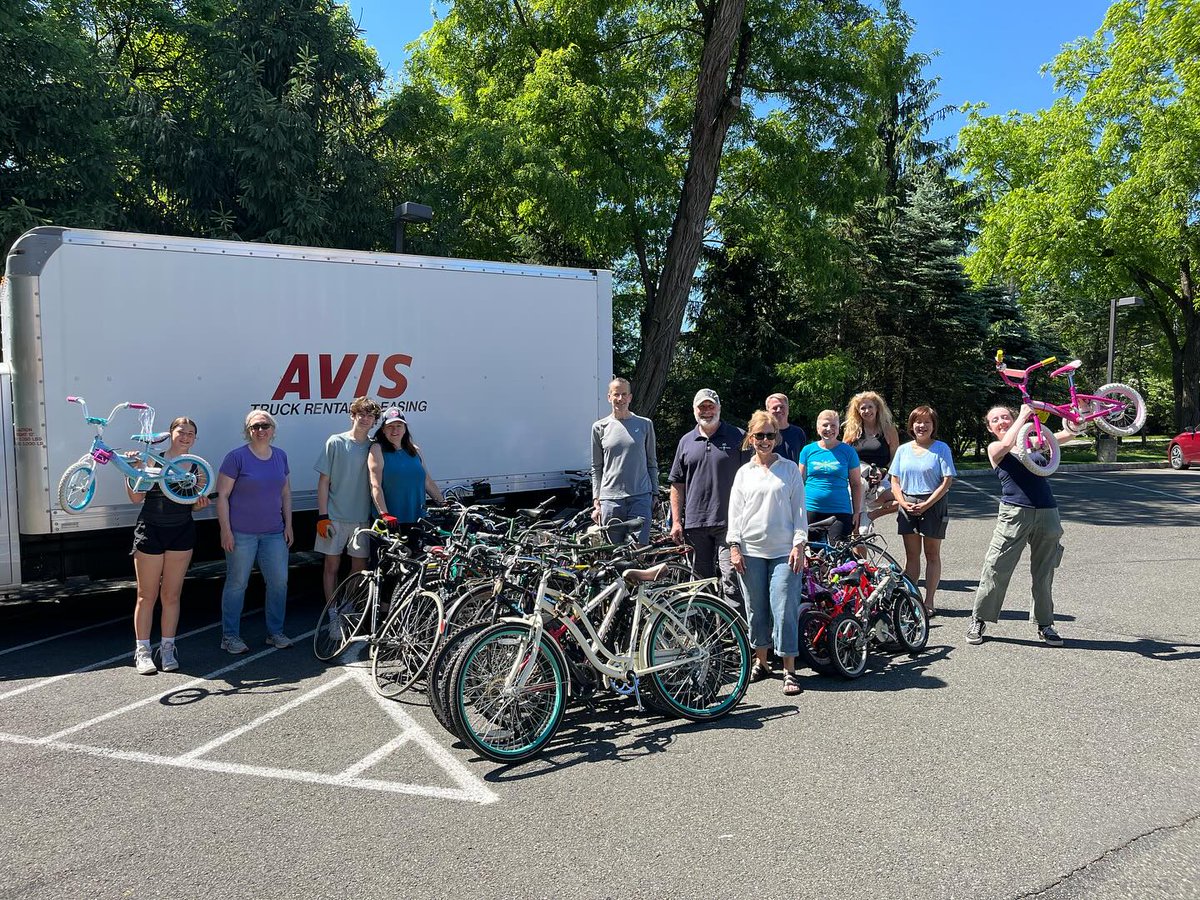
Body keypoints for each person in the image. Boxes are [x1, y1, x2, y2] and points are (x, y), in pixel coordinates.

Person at [967, 404, 1070, 646]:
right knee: (996, 566)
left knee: (1044, 572)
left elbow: (1061, 438)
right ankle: (979, 618)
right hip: (1014, 513)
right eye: (995, 420)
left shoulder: (1030, 443)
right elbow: (1004, 445)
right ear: (990, 428)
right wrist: (1022, 417)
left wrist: (1077, 422)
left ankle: (1045, 625)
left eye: (1005, 417)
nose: (1001, 421)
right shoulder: (995, 448)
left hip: (1047, 512)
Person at [726, 410, 808, 697]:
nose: (764, 441)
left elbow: (800, 511)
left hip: (784, 551)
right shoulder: (743, 473)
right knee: (755, 608)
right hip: (750, 551)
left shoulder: (788, 469)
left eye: (769, 436)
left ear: (777, 437)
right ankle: (762, 662)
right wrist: (734, 547)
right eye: (759, 435)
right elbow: (734, 514)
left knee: (784, 606)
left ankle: (789, 667)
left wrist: (800, 544)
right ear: (751, 438)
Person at [126, 417, 211, 675]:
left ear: (195, 438)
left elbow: (194, 504)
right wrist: (134, 469)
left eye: (190, 433)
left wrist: (200, 503)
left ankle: (167, 648)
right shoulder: (153, 459)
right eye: (180, 431)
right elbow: (135, 498)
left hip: (181, 532)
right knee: (146, 595)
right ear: (170, 433)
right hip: (151, 530)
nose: (185, 436)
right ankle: (142, 652)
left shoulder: (197, 467)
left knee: (172, 595)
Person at [216, 410, 294, 653]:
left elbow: (286, 493)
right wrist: (225, 531)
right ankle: (229, 637)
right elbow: (222, 496)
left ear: (273, 429)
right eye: (255, 426)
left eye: (265, 425)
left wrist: (289, 525)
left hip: (274, 533)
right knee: (237, 584)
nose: (260, 430)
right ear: (247, 431)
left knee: (279, 582)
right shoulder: (236, 458)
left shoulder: (280, 456)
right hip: (241, 533)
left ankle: (275, 633)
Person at [668, 388, 747, 610]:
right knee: (699, 584)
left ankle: (735, 634)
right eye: (702, 407)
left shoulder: (738, 436)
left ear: (719, 408)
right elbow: (676, 484)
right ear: (694, 410)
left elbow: (752, 477)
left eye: (711, 406)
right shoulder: (686, 441)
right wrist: (676, 521)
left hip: (729, 523)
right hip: (695, 525)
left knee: (731, 578)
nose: (707, 411)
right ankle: (704, 636)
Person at [889, 405, 956, 619]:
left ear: (933, 425)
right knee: (911, 556)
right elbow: (895, 480)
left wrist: (927, 504)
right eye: (918, 421)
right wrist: (902, 502)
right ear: (912, 425)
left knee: (932, 554)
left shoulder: (941, 448)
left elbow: (947, 481)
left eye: (927, 422)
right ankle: (913, 599)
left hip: (933, 503)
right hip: (907, 503)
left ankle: (929, 601)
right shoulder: (903, 450)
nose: (922, 426)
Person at [314, 396, 381, 603]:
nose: (365, 419)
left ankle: (347, 607)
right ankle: (332, 612)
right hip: (334, 517)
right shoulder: (335, 442)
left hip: (361, 519)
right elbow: (324, 482)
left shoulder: (374, 447)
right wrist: (322, 516)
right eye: (361, 414)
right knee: (331, 567)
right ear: (352, 416)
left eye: (370, 416)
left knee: (358, 569)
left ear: (374, 420)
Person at [591, 377, 658, 545]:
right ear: (609, 397)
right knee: (614, 555)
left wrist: (655, 494)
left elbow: (652, 462)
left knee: (638, 551)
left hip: (640, 497)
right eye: (616, 395)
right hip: (610, 501)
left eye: (624, 394)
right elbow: (596, 467)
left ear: (630, 397)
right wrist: (596, 500)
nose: (620, 399)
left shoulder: (644, 425)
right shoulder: (599, 427)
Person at [368, 407, 445, 541]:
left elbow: (426, 481)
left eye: (399, 425)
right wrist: (384, 514)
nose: (395, 430)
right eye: (390, 426)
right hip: (392, 521)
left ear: (405, 428)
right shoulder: (377, 449)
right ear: (383, 430)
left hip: (417, 517)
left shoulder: (415, 450)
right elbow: (375, 485)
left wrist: (443, 504)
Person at [799, 410, 863, 544]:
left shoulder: (848, 451)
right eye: (825, 425)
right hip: (811, 509)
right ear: (818, 428)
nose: (829, 429)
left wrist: (857, 512)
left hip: (840, 510)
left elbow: (856, 484)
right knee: (815, 556)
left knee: (837, 552)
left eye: (833, 426)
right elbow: (800, 481)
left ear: (838, 428)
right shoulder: (807, 450)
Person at [842, 391, 900, 533]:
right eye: (862, 408)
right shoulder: (851, 431)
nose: (867, 411)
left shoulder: (889, 430)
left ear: (877, 408)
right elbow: (844, 456)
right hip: (857, 481)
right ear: (857, 411)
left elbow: (896, 459)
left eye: (870, 407)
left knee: (905, 502)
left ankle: (870, 516)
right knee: (857, 530)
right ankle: (859, 552)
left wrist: (884, 472)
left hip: (881, 480)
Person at [766, 392, 807, 464]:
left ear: (788, 409)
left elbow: (803, 459)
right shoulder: (764, 434)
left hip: (793, 474)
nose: (779, 410)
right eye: (775, 408)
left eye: (782, 407)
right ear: (768, 411)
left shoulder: (798, 432)